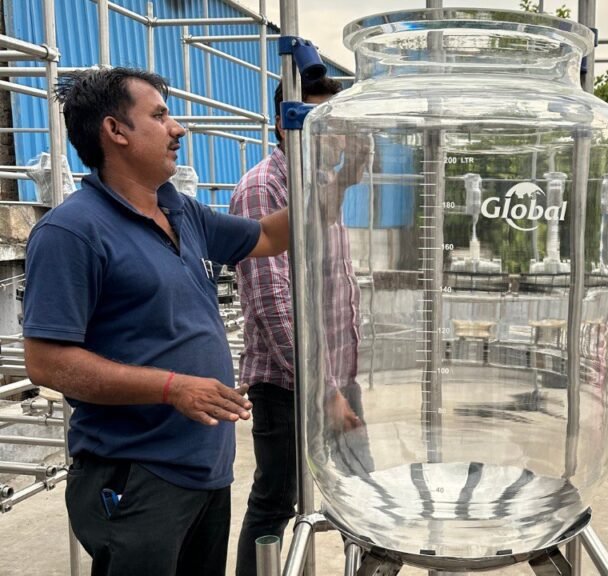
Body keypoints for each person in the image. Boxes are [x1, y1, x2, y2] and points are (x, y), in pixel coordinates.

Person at [21, 67, 290, 576]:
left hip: (204, 470)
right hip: (137, 476)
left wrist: (330, 176)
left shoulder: (181, 211)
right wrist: (172, 387)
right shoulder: (72, 231)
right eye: (160, 115)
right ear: (115, 131)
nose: (177, 128)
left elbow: (269, 237)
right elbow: (47, 363)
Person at [231, 77, 368, 576]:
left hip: (336, 377)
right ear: (282, 126)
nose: (331, 135)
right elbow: (273, 305)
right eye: (316, 121)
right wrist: (322, 392)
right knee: (276, 501)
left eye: (336, 124)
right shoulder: (263, 188)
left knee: (360, 490)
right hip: (290, 384)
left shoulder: (322, 183)